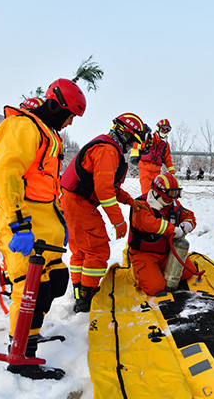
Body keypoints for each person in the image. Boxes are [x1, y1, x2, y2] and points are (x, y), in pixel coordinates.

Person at [0, 78, 86, 380]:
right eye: (69, 115)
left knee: (55, 281)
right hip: (21, 225)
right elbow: (6, 172)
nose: (70, 123)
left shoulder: (46, 132)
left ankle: (29, 336)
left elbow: (44, 186)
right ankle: (20, 357)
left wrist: (59, 224)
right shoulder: (23, 128)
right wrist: (18, 223)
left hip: (44, 229)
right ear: (55, 106)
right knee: (29, 288)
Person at [61, 113, 150, 313]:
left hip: (71, 201)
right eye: (133, 142)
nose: (131, 148)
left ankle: (79, 292)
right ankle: (85, 298)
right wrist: (119, 222)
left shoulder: (104, 146)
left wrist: (131, 202)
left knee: (82, 251)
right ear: (126, 135)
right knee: (97, 250)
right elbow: (104, 191)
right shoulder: (107, 151)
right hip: (80, 204)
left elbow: (108, 186)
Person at [127, 172, 197, 295]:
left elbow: (188, 215)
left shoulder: (172, 203)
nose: (173, 198)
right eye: (170, 195)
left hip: (166, 252)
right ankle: (138, 271)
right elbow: (147, 223)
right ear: (157, 192)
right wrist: (173, 230)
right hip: (145, 253)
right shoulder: (141, 204)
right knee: (155, 288)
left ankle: (156, 270)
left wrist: (188, 224)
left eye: (176, 194)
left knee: (189, 272)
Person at [130, 118, 176, 193]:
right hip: (145, 170)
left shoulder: (166, 145)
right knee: (146, 194)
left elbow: (168, 160)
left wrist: (172, 173)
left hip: (157, 172)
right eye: (163, 129)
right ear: (158, 128)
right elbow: (134, 144)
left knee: (157, 194)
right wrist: (144, 146)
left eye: (167, 130)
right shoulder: (148, 138)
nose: (164, 132)